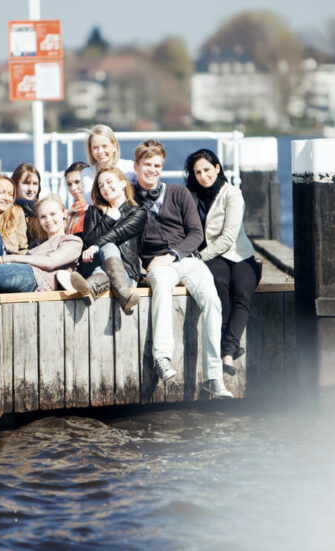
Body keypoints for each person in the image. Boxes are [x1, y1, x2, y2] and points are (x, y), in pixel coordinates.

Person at [133, 140, 233, 398]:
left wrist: (174, 254)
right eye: (147, 165)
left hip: (185, 258)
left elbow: (195, 233)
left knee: (212, 298)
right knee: (163, 288)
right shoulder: (129, 198)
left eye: (157, 165)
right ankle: (162, 358)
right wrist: (141, 267)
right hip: (155, 263)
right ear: (136, 166)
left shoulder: (179, 193)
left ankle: (214, 375)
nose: (152, 170)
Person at [185, 149, 262, 376]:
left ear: (217, 168)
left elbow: (229, 237)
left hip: (238, 253)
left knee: (243, 293)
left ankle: (227, 351)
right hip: (211, 256)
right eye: (197, 172)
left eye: (207, 170)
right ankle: (228, 352)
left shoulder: (232, 194)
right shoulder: (189, 195)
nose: (203, 176)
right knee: (220, 284)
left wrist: (199, 257)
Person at [69, 167, 146, 314]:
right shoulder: (93, 211)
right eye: (100, 185)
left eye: (109, 182)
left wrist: (98, 244)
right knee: (103, 262)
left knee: (109, 246)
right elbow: (88, 240)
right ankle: (125, 297)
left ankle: (90, 286)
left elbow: (118, 233)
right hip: (98, 267)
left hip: (127, 272)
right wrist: (107, 218)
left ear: (123, 183)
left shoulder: (137, 212)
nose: (105, 187)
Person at [80, 124, 136, 204]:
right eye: (95, 147)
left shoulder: (129, 167)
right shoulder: (87, 173)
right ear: (91, 150)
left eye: (104, 146)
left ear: (114, 147)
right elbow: (91, 200)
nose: (100, 151)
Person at [12, 162, 42, 244]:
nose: (31, 189)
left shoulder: (40, 209)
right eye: (25, 183)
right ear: (15, 185)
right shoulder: (7, 208)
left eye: (35, 184)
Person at [64, 161, 89, 235]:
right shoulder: (71, 212)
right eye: (69, 184)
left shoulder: (98, 208)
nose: (73, 188)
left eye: (77, 182)